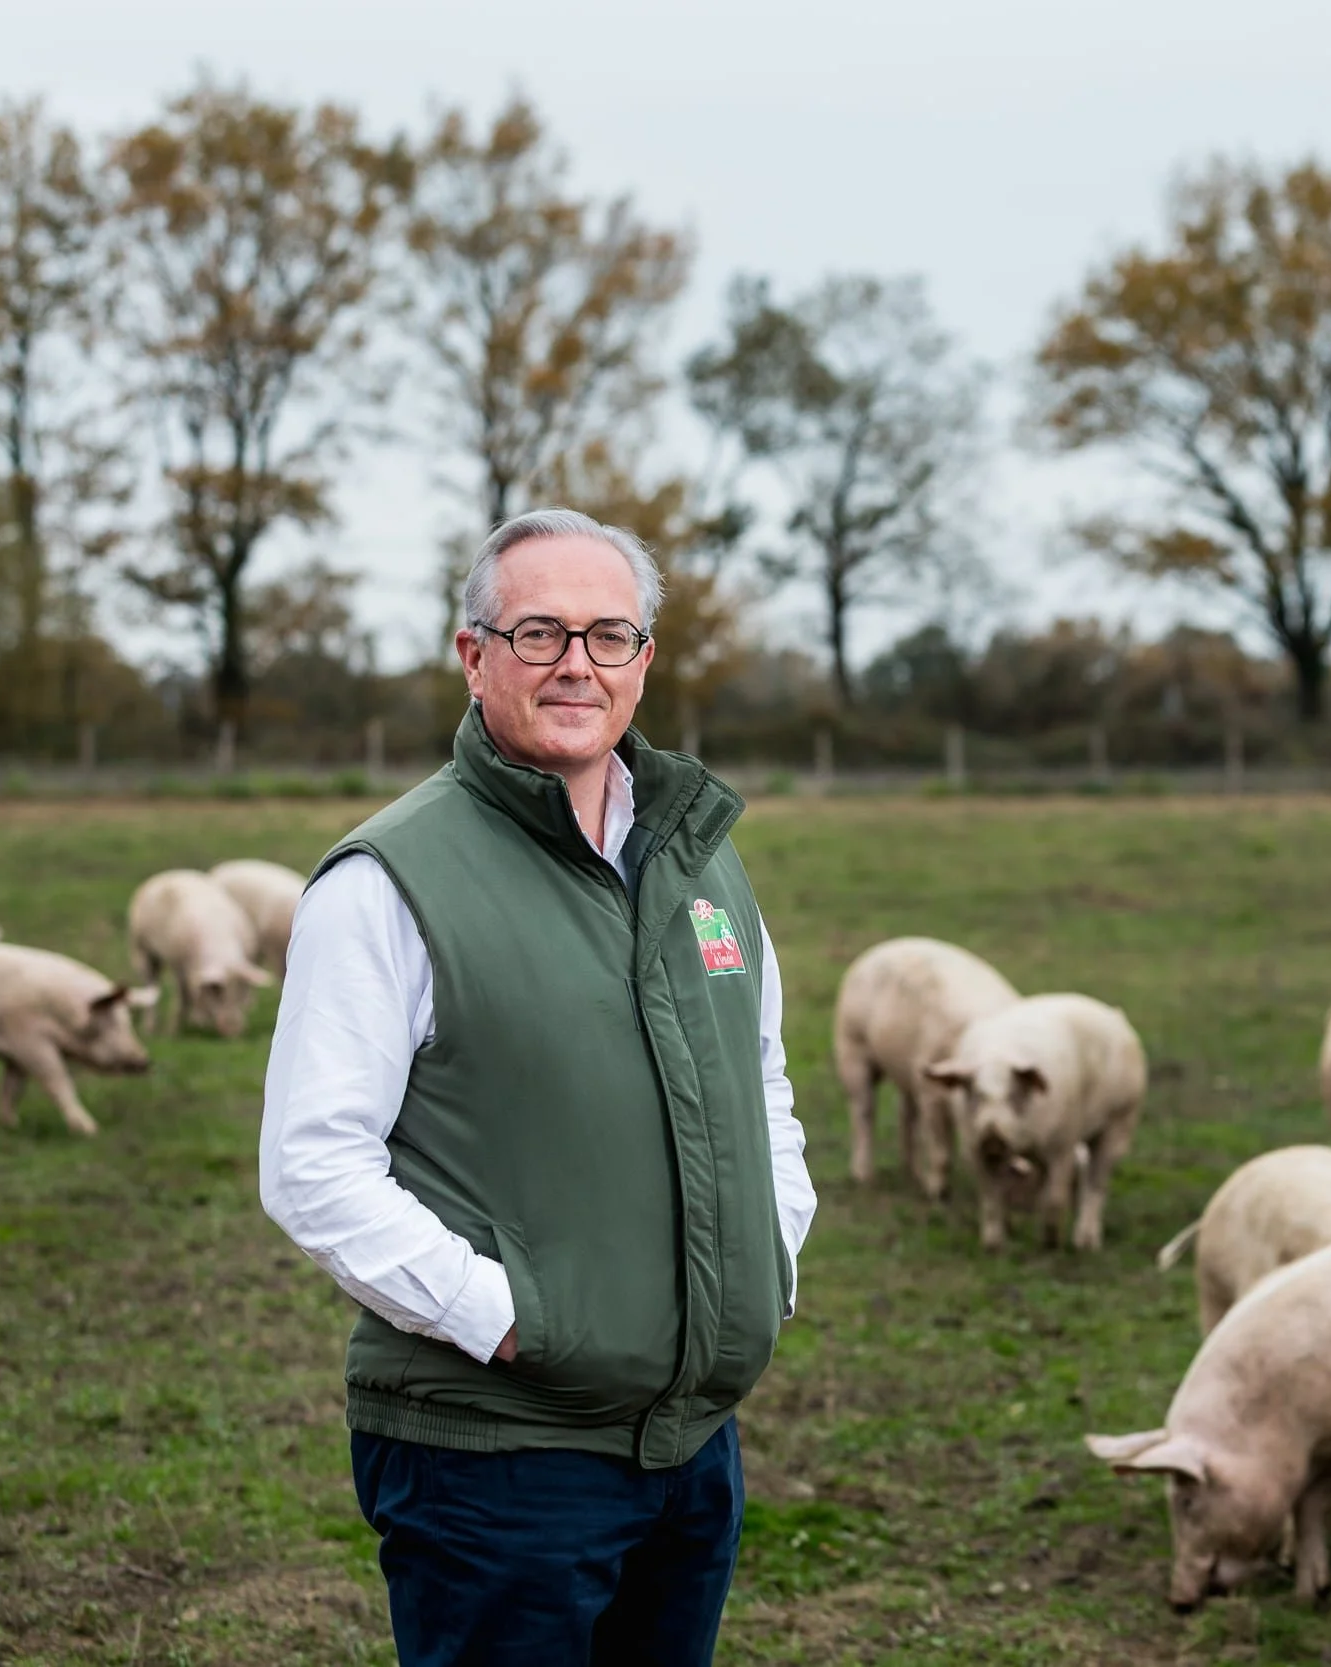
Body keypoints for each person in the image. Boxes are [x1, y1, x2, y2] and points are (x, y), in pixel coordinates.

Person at [258, 507, 816, 1666]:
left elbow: (760, 1083)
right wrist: (509, 1319)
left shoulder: (701, 856)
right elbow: (313, 1167)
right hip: (497, 1459)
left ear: (644, 660)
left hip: (689, 1444)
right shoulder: (387, 882)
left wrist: (771, 1258)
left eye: (610, 633)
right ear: (474, 657)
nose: (577, 662)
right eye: (540, 632)